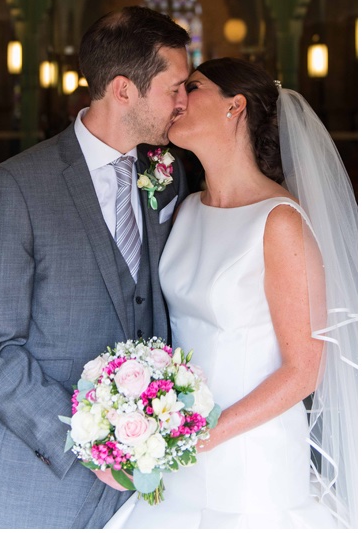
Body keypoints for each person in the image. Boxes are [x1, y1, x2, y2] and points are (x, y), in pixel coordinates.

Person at [104, 58, 357, 528]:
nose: (178, 100)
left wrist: (199, 437)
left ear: (234, 107)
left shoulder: (279, 221)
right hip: (176, 447)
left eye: (193, 88)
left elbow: (304, 371)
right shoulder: (187, 210)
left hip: (249, 459)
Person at [0, 5, 192, 528]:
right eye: (174, 88)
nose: (185, 103)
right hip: (37, 478)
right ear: (122, 90)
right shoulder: (16, 187)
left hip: (144, 488)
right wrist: (90, 441)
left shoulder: (168, 172)